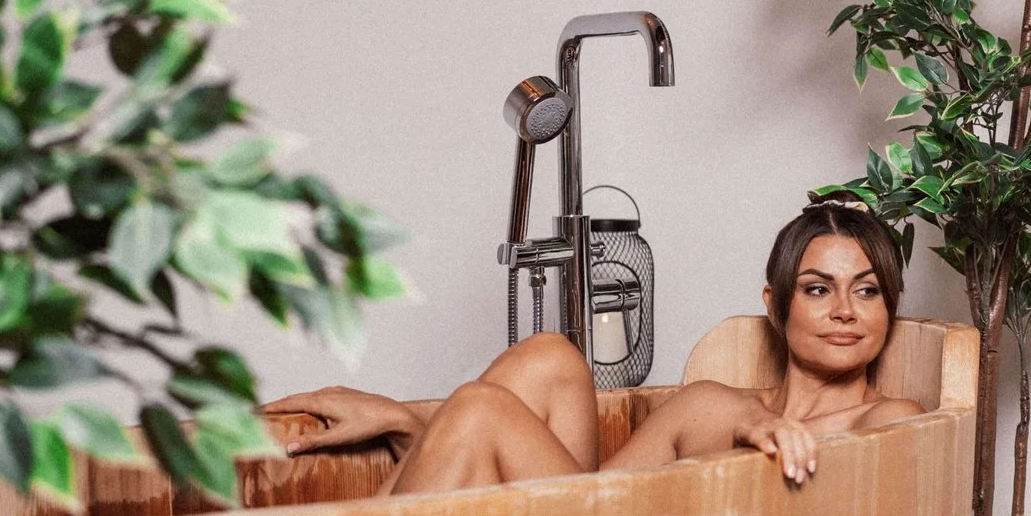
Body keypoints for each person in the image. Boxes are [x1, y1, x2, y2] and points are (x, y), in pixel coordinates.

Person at [267, 202, 926, 494]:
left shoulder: (890, 420)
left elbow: (843, 486)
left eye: (867, 291)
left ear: (889, 308)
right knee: (550, 356)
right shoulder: (708, 404)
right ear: (776, 306)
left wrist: (755, 432)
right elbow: (594, 499)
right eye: (818, 289)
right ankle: (386, 513)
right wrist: (410, 425)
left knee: (478, 408)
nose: (845, 310)